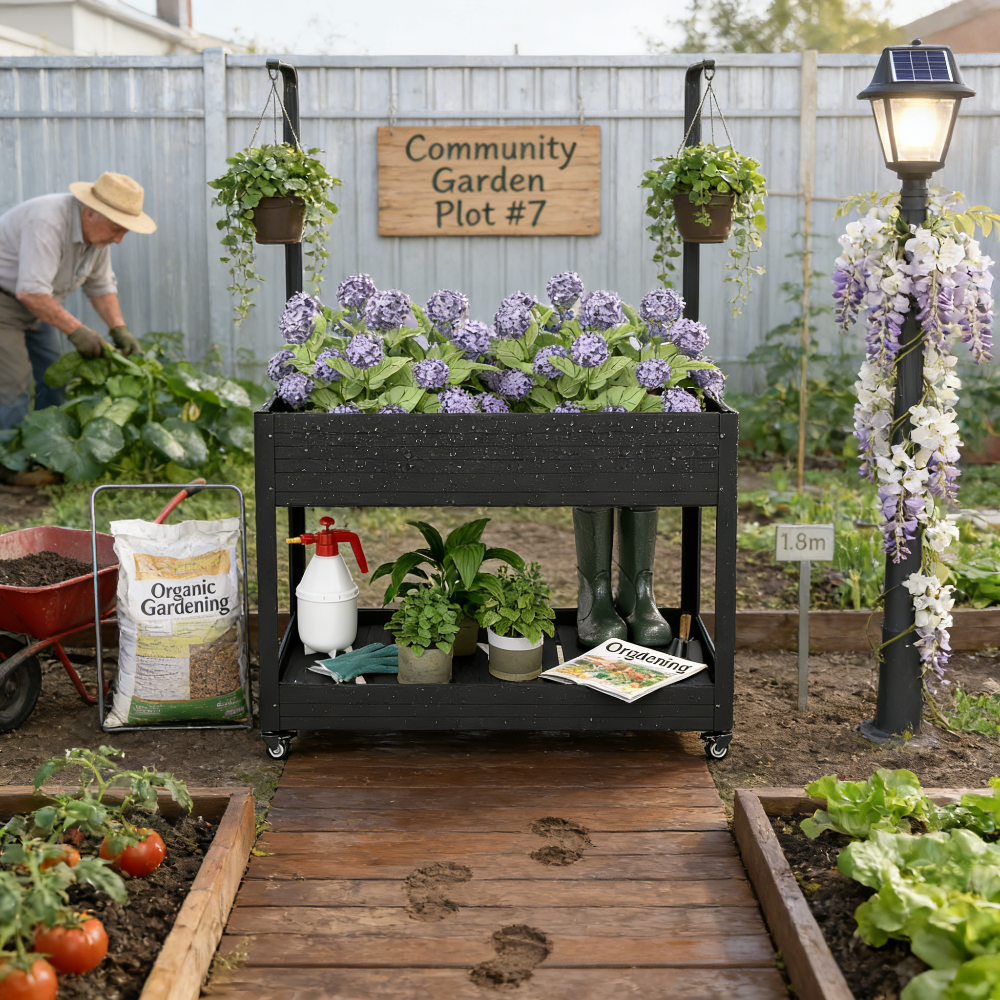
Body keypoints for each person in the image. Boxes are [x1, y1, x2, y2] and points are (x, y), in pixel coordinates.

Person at [0, 172, 156, 429]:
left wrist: (119, 330)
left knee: (56, 378)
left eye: (124, 232)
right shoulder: (47, 222)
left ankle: (47, 449)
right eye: (117, 229)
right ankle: (9, 463)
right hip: (5, 304)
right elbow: (31, 292)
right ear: (91, 212)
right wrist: (78, 332)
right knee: (12, 386)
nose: (118, 239)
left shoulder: (97, 239)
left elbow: (101, 286)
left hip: (42, 306)